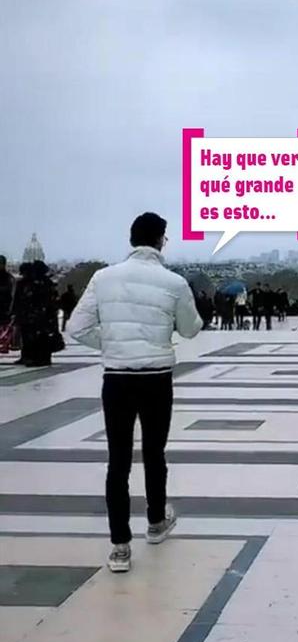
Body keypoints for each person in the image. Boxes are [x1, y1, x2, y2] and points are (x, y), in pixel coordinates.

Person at [66, 212, 202, 574]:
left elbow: (75, 327)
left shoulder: (102, 278)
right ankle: (156, 522)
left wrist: (110, 344)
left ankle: (120, 546)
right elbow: (190, 329)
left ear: (131, 240)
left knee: (118, 460)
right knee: (154, 453)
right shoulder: (173, 282)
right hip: (156, 377)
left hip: (117, 378)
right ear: (160, 240)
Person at [13, 260, 61, 366]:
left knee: (37, 338)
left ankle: (38, 358)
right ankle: (37, 357)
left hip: (37, 315)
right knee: (36, 338)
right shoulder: (45, 283)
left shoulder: (38, 284)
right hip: (40, 315)